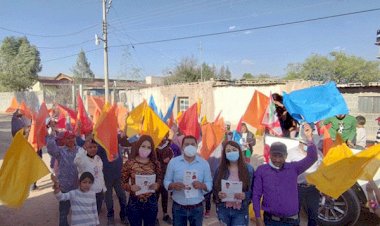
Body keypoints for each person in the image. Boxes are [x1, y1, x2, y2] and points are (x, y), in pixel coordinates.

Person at [253, 123, 317, 226]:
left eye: (280, 156)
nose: (277, 159)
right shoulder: (262, 170)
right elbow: (256, 195)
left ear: (286, 156)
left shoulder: (293, 168)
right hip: (270, 221)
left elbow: (312, 157)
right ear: (269, 155)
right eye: (274, 155)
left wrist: (309, 137)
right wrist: (258, 218)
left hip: (291, 221)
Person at [164, 135, 213, 226]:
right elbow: (166, 181)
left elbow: (209, 184)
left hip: (197, 208)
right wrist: (173, 185)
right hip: (178, 207)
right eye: (187, 144)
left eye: (192, 144)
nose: (190, 146)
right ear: (182, 147)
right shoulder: (173, 162)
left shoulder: (204, 163)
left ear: (197, 146)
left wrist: (202, 185)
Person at [121, 135, 162, 226]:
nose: (145, 149)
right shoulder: (130, 163)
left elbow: (159, 179)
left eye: (148, 147)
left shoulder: (155, 163)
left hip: (151, 202)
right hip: (134, 202)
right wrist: (130, 187)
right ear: (138, 146)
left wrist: (157, 185)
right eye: (143, 146)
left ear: (152, 149)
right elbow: (122, 182)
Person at [213, 141, 254, 226]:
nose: (231, 152)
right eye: (228, 151)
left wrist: (245, 195)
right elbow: (215, 188)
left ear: (239, 151)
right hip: (223, 209)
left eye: (234, 149)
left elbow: (253, 190)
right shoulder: (220, 169)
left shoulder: (249, 169)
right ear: (224, 154)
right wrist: (218, 194)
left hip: (241, 210)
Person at [47, 130, 81, 226]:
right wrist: (51, 134)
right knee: (63, 212)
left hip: (77, 187)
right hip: (64, 187)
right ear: (64, 140)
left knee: (77, 212)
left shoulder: (80, 150)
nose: (70, 140)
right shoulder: (60, 151)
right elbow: (50, 148)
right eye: (68, 138)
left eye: (72, 137)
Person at [74, 138, 106, 215]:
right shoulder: (83, 159)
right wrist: (83, 149)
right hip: (88, 192)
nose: (93, 149)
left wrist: (103, 188)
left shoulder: (98, 158)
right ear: (86, 148)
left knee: (96, 212)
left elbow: (100, 174)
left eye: (95, 147)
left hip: (99, 191)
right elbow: (76, 161)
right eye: (90, 147)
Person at [97, 145, 128, 226]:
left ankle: (124, 216)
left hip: (118, 177)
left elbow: (120, 157)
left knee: (123, 197)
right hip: (106, 177)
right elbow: (95, 158)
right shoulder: (101, 144)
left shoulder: (116, 142)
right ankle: (110, 217)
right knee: (108, 199)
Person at [156, 134, 174, 224]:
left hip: (165, 175)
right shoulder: (154, 146)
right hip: (156, 175)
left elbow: (172, 154)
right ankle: (154, 216)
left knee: (165, 195)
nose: (162, 137)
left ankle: (165, 214)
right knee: (155, 196)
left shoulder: (168, 146)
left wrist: (169, 158)